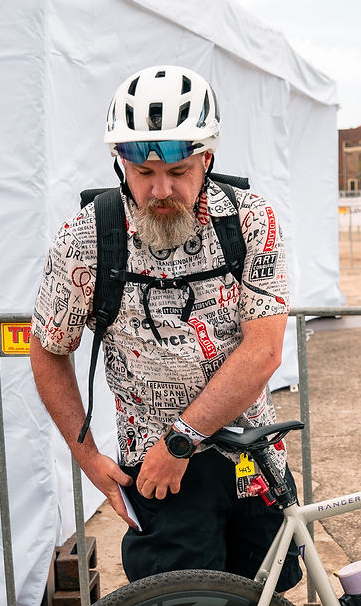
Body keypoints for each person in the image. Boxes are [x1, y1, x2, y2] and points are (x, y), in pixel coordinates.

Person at [29, 65, 303, 589]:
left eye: (178, 171)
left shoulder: (249, 220)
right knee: (181, 598)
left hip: (251, 457)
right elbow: (47, 348)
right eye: (143, 171)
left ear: (207, 159)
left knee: (268, 593)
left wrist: (181, 442)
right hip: (157, 473)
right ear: (121, 164)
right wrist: (87, 456)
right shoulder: (87, 237)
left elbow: (263, 351)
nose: (160, 189)